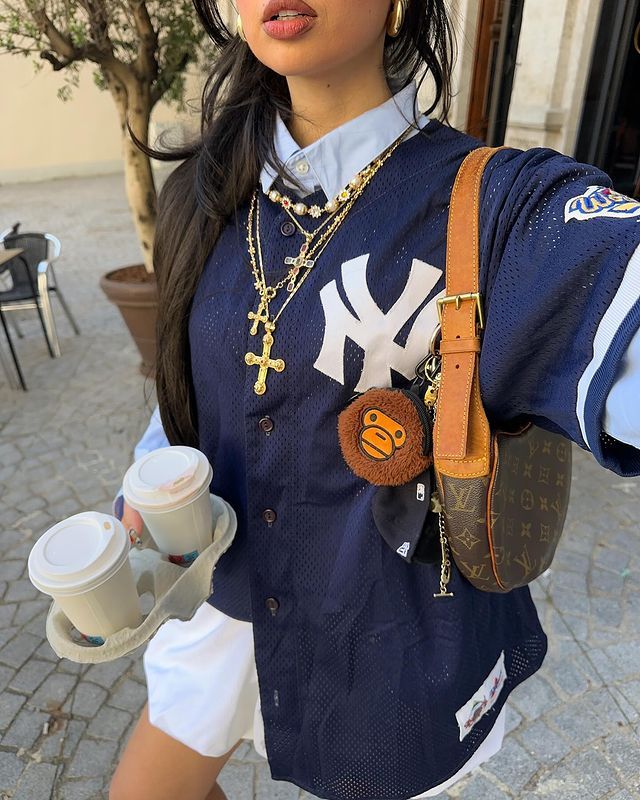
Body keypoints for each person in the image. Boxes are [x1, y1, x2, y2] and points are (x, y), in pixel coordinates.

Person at [108, 1, 640, 799]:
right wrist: (143, 500)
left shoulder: (502, 207)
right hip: (227, 607)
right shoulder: (201, 194)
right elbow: (191, 389)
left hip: (392, 638)